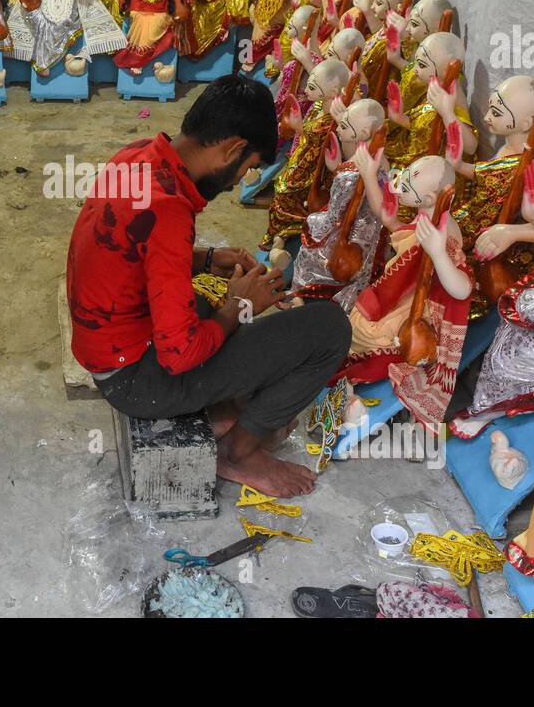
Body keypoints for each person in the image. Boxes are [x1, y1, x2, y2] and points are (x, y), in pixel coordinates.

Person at [66, 76, 352, 497]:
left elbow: (133, 246)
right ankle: (238, 451)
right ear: (232, 150)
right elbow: (180, 355)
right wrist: (239, 306)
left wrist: (203, 259)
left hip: (110, 353)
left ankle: (222, 406)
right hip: (136, 381)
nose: (241, 180)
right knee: (329, 328)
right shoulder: (169, 210)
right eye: (248, 166)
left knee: (206, 298)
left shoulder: (139, 155)